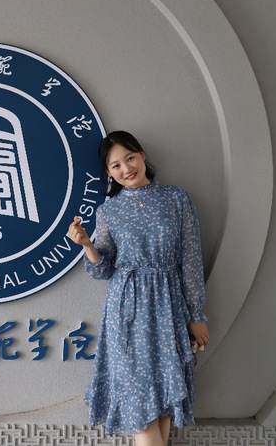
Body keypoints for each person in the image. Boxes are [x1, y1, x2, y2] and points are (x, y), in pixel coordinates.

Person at [67, 130, 208, 446]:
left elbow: (191, 259)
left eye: (129, 158)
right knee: (138, 403)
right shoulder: (109, 210)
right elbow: (104, 269)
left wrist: (196, 314)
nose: (125, 168)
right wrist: (87, 244)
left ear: (142, 156)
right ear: (109, 173)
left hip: (169, 306)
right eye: (115, 165)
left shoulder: (177, 199)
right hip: (126, 311)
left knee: (164, 401)